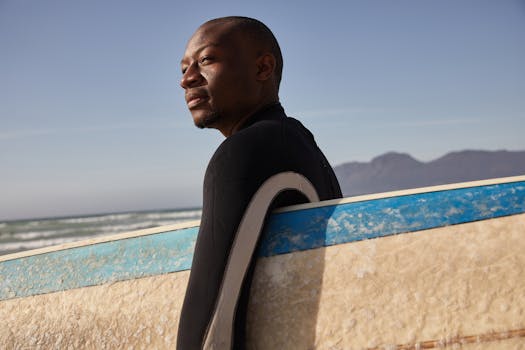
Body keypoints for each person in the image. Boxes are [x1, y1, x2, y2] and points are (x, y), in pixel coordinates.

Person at [177, 16, 342, 349]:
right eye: (183, 69)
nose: (187, 80)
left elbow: (211, 328)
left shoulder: (244, 154)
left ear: (263, 67)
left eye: (206, 60)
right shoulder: (300, 144)